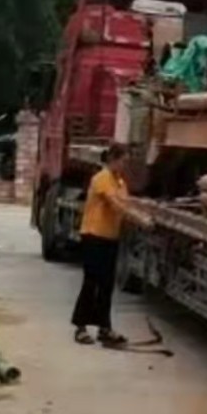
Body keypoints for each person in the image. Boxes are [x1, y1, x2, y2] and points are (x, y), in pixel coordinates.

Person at [71, 143, 129, 346]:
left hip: (110, 238)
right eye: (123, 161)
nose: (125, 165)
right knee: (91, 282)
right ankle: (80, 327)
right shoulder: (102, 178)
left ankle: (104, 328)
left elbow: (127, 203)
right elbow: (115, 204)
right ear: (113, 159)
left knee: (107, 285)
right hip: (93, 236)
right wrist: (142, 220)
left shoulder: (120, 181)